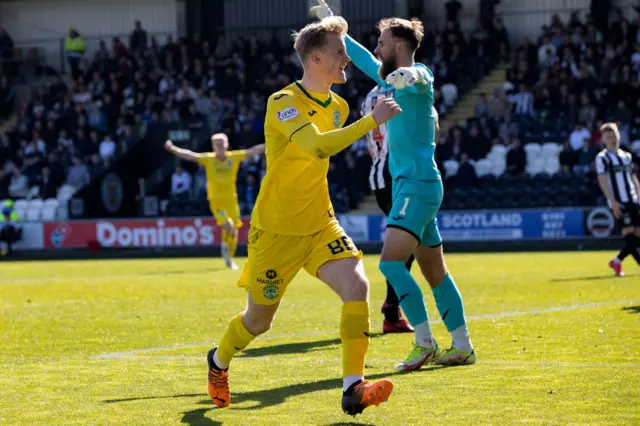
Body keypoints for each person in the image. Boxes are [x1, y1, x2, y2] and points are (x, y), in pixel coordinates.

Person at [204, 16, 401, 416]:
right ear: (314, 58)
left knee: (357, 285)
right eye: (339, 52)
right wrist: (371, 122)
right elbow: (316, 147)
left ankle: (353, 388)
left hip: (319, 223)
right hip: (276, 230)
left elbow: (326, 148)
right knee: (259, 322)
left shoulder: (339, 105)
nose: (347, 58)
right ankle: (218, 361)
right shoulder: (282, 102)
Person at [312, 0, 475, 369]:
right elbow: (363, 58)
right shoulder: (389, 77)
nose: (378, 48)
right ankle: (462, 345)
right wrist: (332, 25)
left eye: (383, 41)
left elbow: (420, 77)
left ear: (399, 46)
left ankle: (424, 342)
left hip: (415, 185)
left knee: (389, 265)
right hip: (415, 185)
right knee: (436, 272)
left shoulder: (418, 77)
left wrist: (407, 76)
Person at [164, 134, 265, 269]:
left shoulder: (233, 157)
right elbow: (191, 155)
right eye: (216, 144)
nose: (219, 146)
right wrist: (173, 149)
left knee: (233, 231)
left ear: (227, 144)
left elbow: (252, 151)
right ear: (213, 146)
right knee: (228, 225)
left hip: (231, 200)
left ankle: (228, 254)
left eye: (221, 143)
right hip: (216, 201)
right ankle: (228, 258)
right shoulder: (209, 159)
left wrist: (271, 141)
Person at [361, 84, 414, 334]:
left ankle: (393, 309)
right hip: (396, 173)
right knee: (405, 245)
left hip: (378, 172)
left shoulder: (370, 96)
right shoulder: (404, 88)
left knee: (412, 244)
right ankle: (392, 311)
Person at [595, 123, 640, 277]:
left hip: (633, 199)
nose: (612, 139)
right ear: (603, 140)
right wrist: (612, 202)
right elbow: (602, 180)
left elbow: (633, 178)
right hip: (619, 201)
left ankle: (617, 260)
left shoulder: (626, 156)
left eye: (614, 135)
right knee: (629, 236)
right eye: (608, 137)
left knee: (636, 238)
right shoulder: (602, 158)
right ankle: (618, 261)